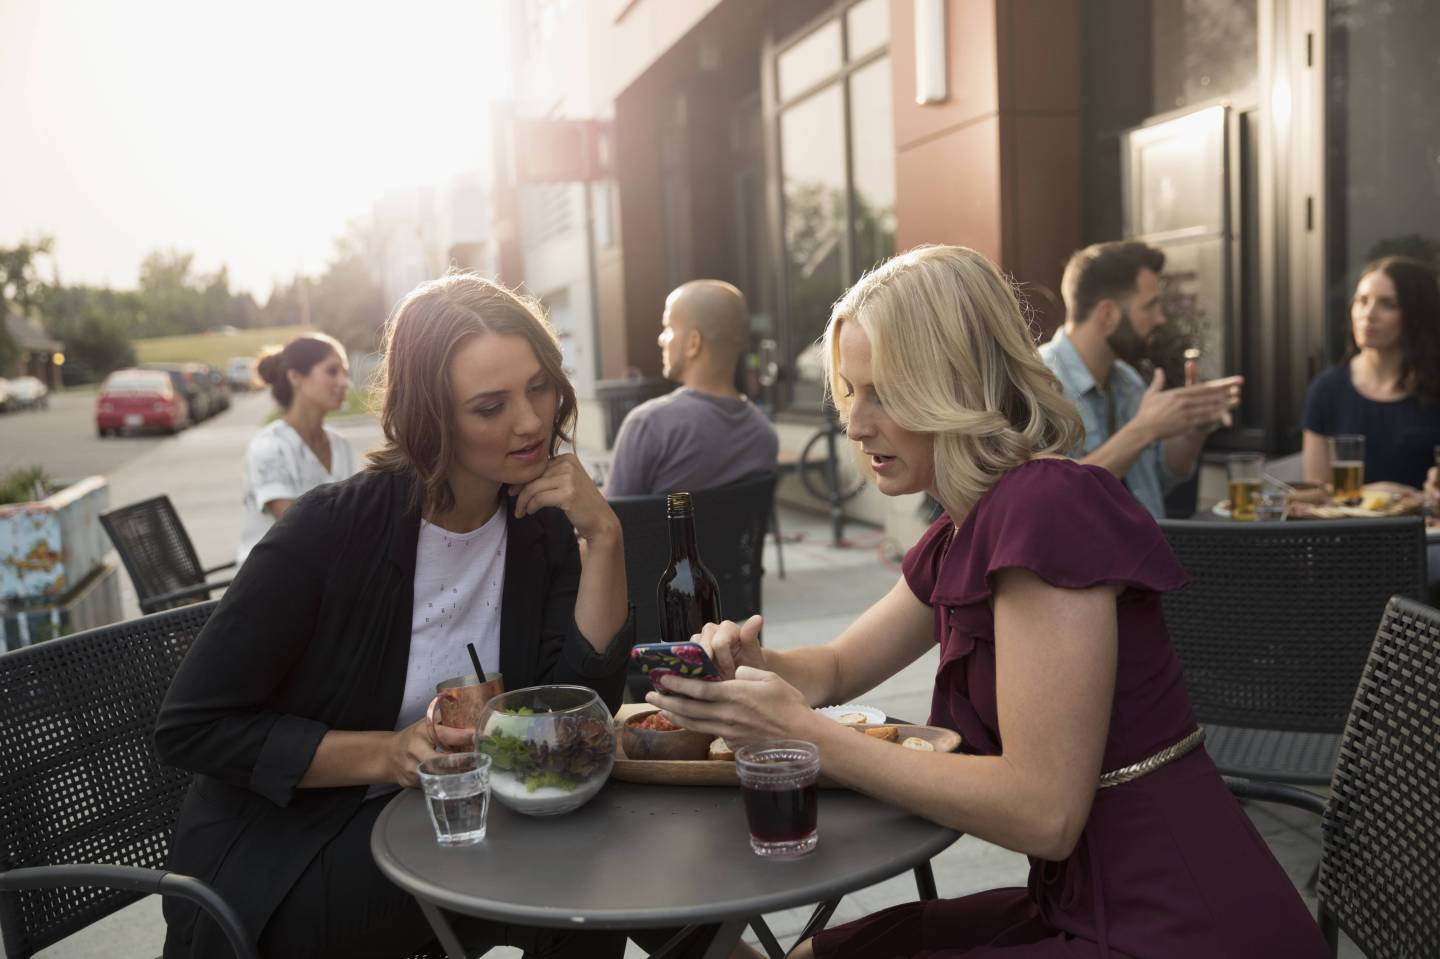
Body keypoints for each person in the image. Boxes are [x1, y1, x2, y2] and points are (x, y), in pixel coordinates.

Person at [652, 246, 1328, 958]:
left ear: (958, 384)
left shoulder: (1047, 507)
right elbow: (837, 665)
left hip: (1175, 921)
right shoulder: (964, 527)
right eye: (852, 393)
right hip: (1083, 901)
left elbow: (1046, 811)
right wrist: (754, 667)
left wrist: (807, 737)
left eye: (884, 393)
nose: (855, 426)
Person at [156, 274, 637, 959]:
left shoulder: (539, 524)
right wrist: (384, 751)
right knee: (580, 879)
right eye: (489, 406)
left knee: (599, 871)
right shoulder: (329, 531)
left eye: (539, 387)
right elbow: (190, 725)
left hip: (459, 827)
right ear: (430, 417)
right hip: (291, 855)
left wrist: (606, 539)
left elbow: (576, 729)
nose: (530, 421)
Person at [1039, 241, 1242, 519]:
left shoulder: (1127, 380)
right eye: (1150, 306)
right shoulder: (1039, 384)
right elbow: (1055, 499)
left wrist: (1194, 428)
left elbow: (1161, 478)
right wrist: (1144, 429)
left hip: (1145, 556)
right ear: (1108, 314)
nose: (1160, 319)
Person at [604, 279, 778, 497]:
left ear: (693, 343)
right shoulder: (763, 435)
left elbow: (607, 525)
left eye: (668, 327)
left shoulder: (648, 425)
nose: (661, 339)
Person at [1303, 255, 1440, 490]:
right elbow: (1315, 493)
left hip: (1427, 526)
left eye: (1388, 304)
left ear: (1416, 314)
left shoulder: (1435, 385)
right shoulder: (1327, 389)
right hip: (1348, 526)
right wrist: (1379, 495)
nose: (1368, 314)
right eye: (1362, 301)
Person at [236, 333, 358, 565]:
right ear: (295, 376)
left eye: (345, 373)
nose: (345, 383)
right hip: (271, 585)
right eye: (332, 371)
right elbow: (298, 530)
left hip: (325, 579)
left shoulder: (340, 445)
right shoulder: (269, 447)